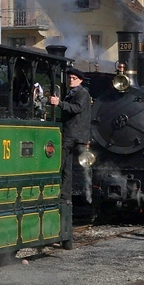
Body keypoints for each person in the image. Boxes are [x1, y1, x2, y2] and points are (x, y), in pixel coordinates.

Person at [50, 67, 92, 202]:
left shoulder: (83, 93)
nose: (71, 80)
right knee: (66, 166)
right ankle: (65, 195)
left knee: (66, 163)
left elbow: (77, 108)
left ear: (80, 80)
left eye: (74, 78)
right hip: (71, 132)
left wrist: (59, 103)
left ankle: (80, 193)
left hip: (74, 134)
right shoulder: (71, 92)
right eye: (69, 78)